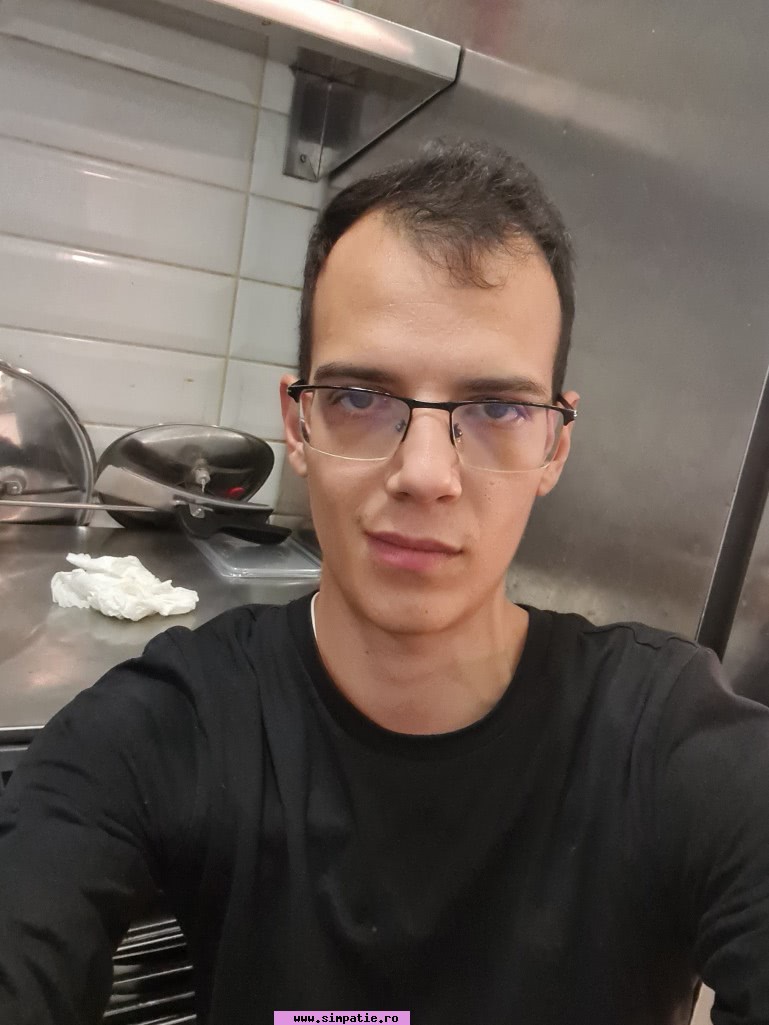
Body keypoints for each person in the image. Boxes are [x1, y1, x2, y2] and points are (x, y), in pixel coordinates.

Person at [1, 140, 768, 1025]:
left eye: (496, 407)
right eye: (361, 399)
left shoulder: (663, 742)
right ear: (298, 423)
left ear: (554, 443)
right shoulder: (175, 725)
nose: (425, 473)